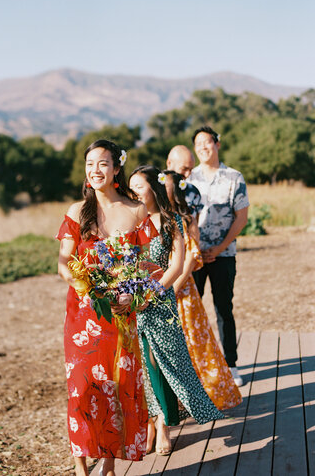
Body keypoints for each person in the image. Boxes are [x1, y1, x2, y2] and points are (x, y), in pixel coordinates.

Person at [57, 140, 158, 476]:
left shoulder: (136, 210)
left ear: (116, 169)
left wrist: (133, 295)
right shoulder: (76, 211)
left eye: (102, 163)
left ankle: (110, 465)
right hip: (83, 316)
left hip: (120, 316)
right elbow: (63, 265)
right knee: (82, 389)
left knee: (114, 388)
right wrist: (88, 287)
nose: (94, 170)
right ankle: (80, 466)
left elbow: (147, 267)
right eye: (89, 164)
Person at [129, 165, 224, 456]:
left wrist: (153, 292)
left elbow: (177, 264)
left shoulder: (171, 221)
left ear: (153, 190)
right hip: (131, 304)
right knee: (144, 366)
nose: (132, 193)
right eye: (129, 188)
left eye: (138, 187)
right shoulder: (129, 222)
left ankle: (165, 425)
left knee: (168, 363)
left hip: (160, 303)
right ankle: (152, 424)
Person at [163, 169, 242, 409]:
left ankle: (206, 394)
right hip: (163, 289)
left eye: (164, 185)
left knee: (195, 342)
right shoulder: (155, 217)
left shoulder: (187, 218)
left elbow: (191, 256)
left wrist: (173, 287)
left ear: (174, 190)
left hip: (182, 290)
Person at [189, 126, 249, 387]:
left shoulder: (234, 177)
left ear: (217, 144)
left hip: (225, 255)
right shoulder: (188, 179)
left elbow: (242, 217)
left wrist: (221, 246)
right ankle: (197, 366)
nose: (203, 147)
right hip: (195, 256)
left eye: (208, 142)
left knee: (224, 309)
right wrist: (197, 248)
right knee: (194, 311)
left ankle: (231, 365)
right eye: (198, 144)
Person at [166, 144, 202, 219]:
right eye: (184, 169)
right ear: (169, 163)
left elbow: (194, 225)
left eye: (190, 170)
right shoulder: (153, 189)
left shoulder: (193, 192)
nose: (187, 174)